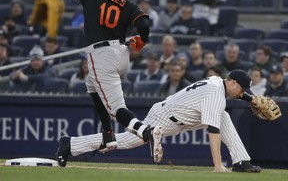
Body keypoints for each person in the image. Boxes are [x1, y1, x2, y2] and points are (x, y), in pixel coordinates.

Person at [56, 69, 261, 173]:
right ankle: (71, 143)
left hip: (179, 116)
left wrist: (252, 100)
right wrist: (217, 165)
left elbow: (231, 97)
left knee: (223, 115)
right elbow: (213, 130)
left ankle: (241, 161)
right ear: (233, 82)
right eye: (242, 89)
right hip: (165, 118)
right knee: (123, 141)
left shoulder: (218, 80)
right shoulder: (216, 93)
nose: (242, 93)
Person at [58, 0, 163, 165]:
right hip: (121, 54)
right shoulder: (129, 4)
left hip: (101, 56)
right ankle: (107, 134)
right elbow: (144, 24)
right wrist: (142, 41)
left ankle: (146, 131)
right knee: (92, 85)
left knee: (117, 111)